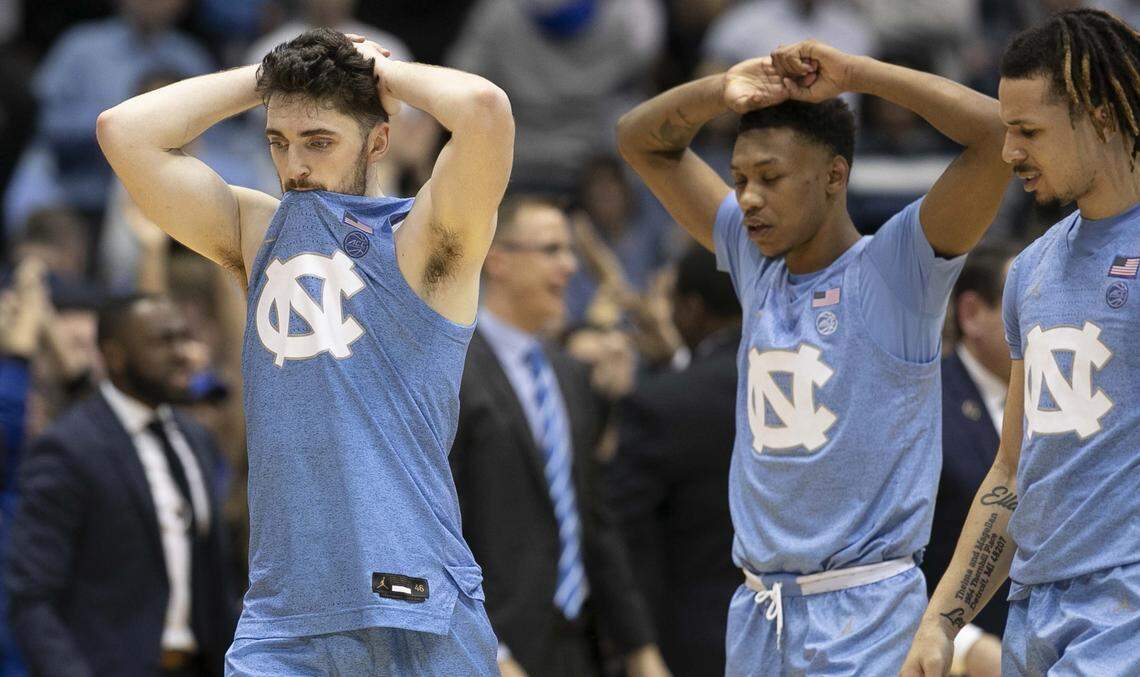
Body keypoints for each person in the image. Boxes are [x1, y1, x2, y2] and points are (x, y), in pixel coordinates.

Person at [95, 28, 514, 674]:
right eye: (279, 142)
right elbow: (123, 131)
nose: (296, 166)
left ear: (377, 140)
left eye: (319, 142)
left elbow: (484, 110)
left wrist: (381, 72)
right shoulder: (258, 230)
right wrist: (267, 78)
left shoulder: (425, 240)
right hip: (281, 620)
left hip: (414, 605)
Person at [616, 37, 1009, 674]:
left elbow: (995, 134)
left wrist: (856, 74)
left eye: (769, 178)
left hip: (866, 610)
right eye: (740, 178)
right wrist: (720, 89)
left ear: (834, 175)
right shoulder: (753, 258)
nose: (746, 197)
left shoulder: (897, 267)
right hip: (758, 610)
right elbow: (639, 139)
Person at [903, 9, 1140, 676]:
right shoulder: (1031, 270)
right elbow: (1011, 472)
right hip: (1036, 613)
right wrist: (941, 620)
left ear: (1099, 116)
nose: (1009, 153)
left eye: (1028, 131)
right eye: (1007, 131)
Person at [449, 196, 666, 677]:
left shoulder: (569, 374)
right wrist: (492, 649)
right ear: (498, 259)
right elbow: (438, 526)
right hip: (491, 648)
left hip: (578, 643)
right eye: (551, 250)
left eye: (568, 251)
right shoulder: (453, 373)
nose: (569, 267)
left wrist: (641, 648)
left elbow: (593, 518)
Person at [6, 295, 238, 677]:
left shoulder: (196, 440)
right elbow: (32, 598)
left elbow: (216, 580)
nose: (184, 354)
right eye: (164, 342)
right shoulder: (68, 448)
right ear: (115, 357)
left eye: (184, 337)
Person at [609, 244, 742, 677]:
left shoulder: (660, 403)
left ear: (691, 308)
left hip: (689, 643)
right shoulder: (813, 387)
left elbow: (623, 538)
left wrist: (635, 647)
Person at [925, 246, 1017, 677]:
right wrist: (967, 648)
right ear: (972, 312)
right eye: (1034, 307)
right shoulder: (923, 410)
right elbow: (887, 564)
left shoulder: (1067, 403)